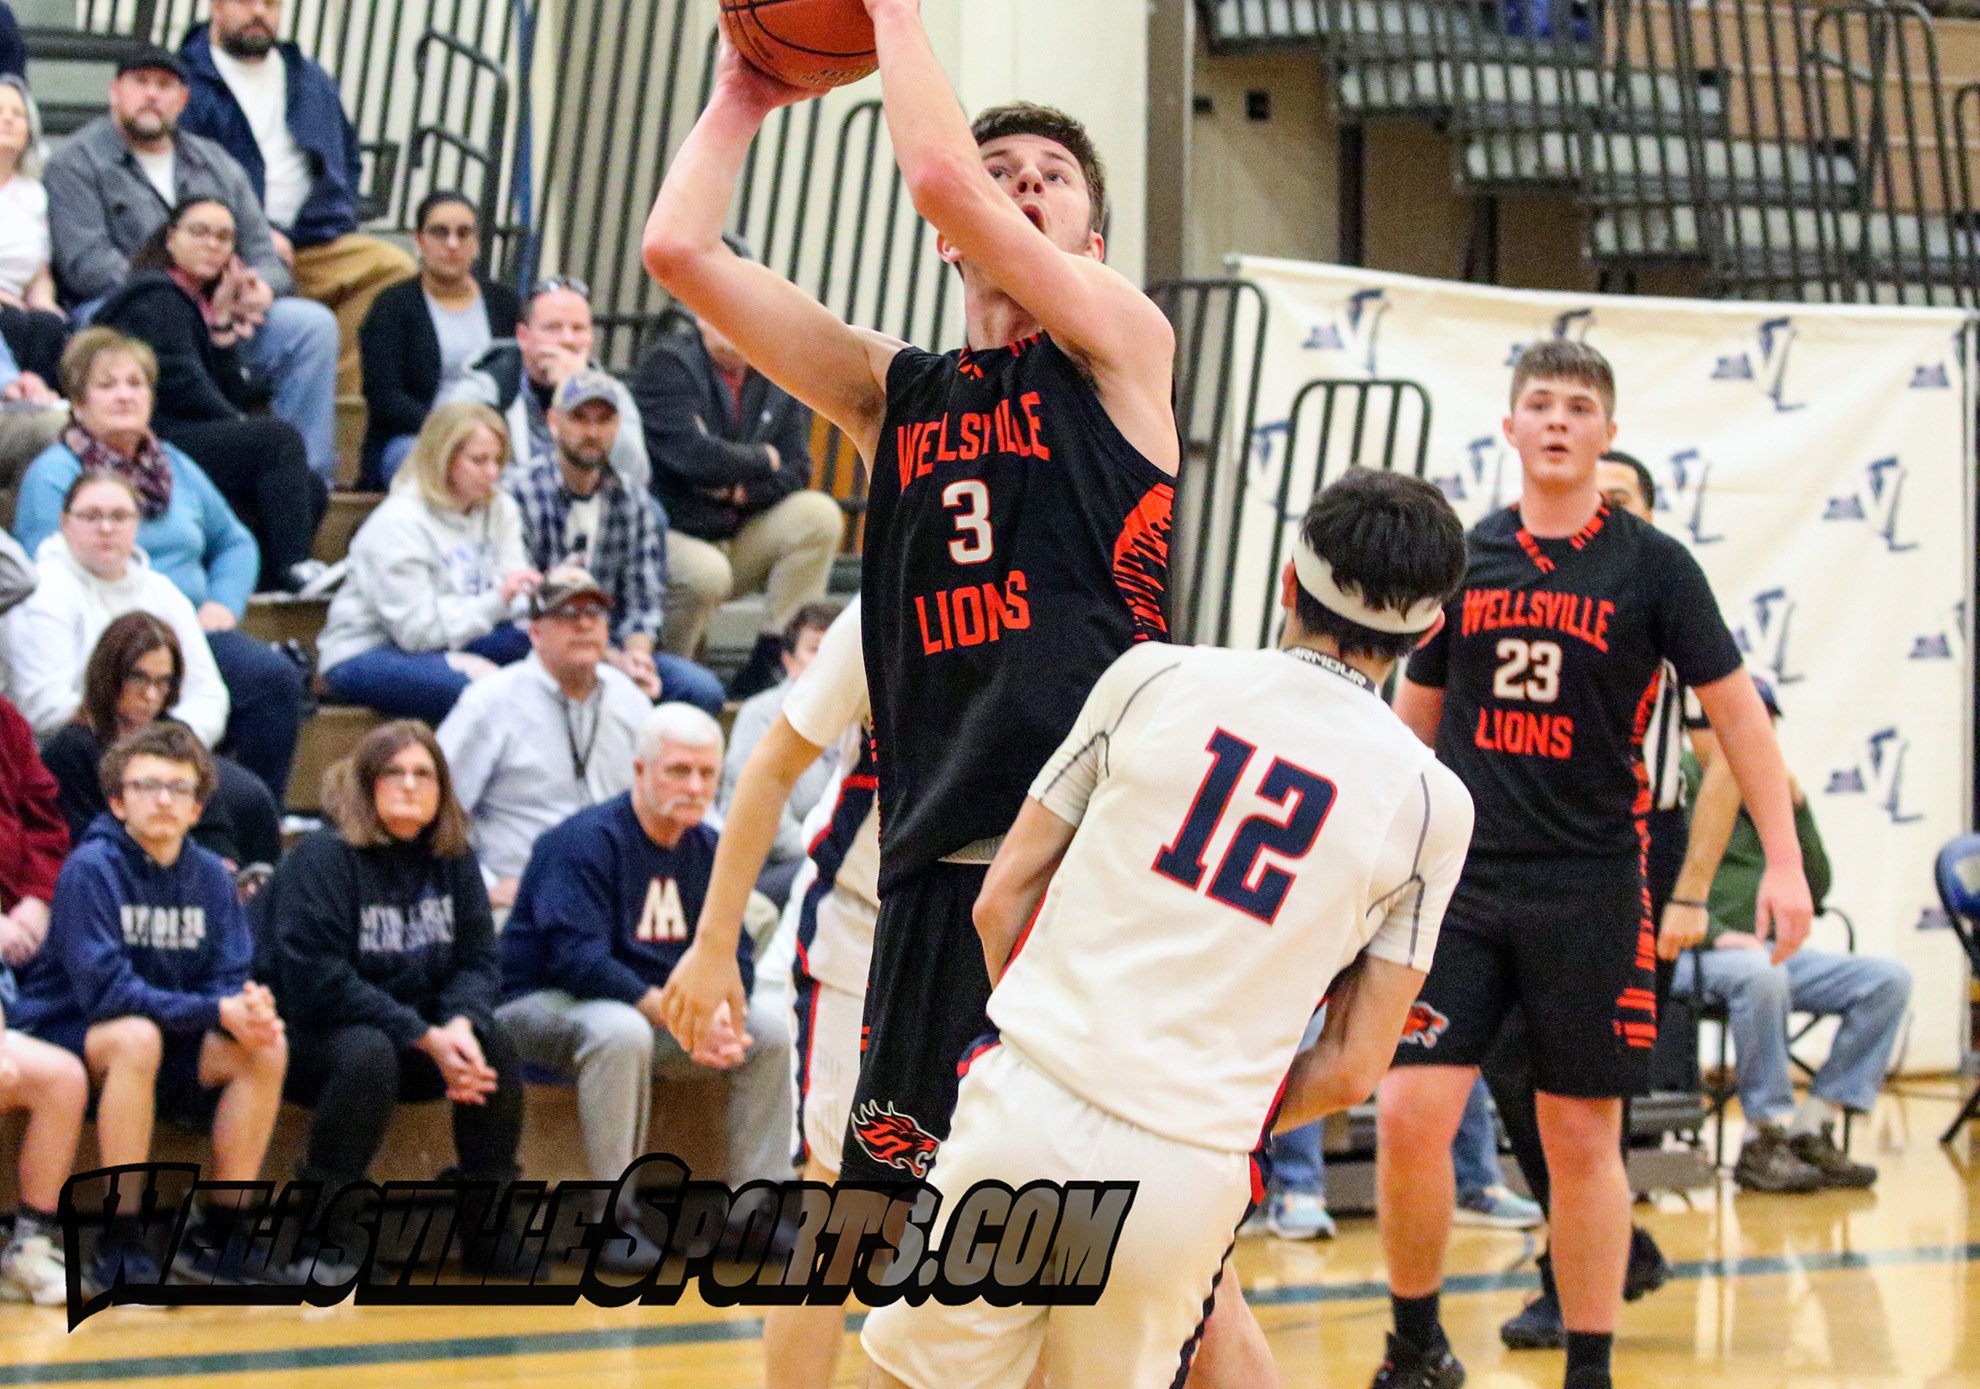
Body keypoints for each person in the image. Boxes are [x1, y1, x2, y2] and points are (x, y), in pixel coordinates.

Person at [647, 22, 1287, 1380]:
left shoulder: (1123, 348)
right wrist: (741, 95)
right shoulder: (901, 394)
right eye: (1005, 167)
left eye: (1049, 175)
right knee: (862, 1208)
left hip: (1094, 866)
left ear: (1089, 245)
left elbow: (937, 176)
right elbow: (679, 257)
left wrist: (889, 23)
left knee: (1177, 1261)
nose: (1015, 185)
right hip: (937, 869)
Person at [858, 469, 1475, 1388]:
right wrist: (1216, 1117)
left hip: (1031, 1098)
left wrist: (1051, 1031)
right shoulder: (1434, 803)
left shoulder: (1153, 675)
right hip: (1189, 1165)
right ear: (1427, 631)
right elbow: (1352, 1064)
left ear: (1286, 583)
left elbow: (1001, 898)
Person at [1376, 340, 1811, 1389]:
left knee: (1580, 1134)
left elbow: (1741, 724)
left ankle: (1590, 1363)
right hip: (1470, 889)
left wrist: (1785, 865)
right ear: (1512, 427)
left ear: (1607, 432)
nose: (1559, 420)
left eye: (1579, 405)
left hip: (1595, 887)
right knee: (1408, 1111)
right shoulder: (1468, 557)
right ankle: (1416, 1345)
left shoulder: (1654, 567)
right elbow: (1411, 731)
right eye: (1540, 404)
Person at [7, 721, 287, 1290]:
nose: (163, 800)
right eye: (146, 786)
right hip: (66, 1031)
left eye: (178, 789)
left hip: (164, 1030)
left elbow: (231, 975)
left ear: (196, 806)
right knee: (136, 1037)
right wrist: (215, 1011)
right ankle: (122, 1236)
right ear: (117, 801)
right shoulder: (91, 868)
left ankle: (223, 1234)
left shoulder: (210, 874)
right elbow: (105, 994)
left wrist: (248, 1006)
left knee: (266, 1046)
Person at [496, 704, 793, 1219]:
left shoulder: (709, 849)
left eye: (707, 774)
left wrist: (719, 1016)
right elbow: (576, 961)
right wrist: (682, 1014)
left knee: (767, 1031)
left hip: (653, 1014)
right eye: (679, 770)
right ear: (639, 770)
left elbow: (735, 953)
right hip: (540, 1007)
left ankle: (756, 1213)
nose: (695, 786)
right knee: (619, 1030)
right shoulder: (582, 842)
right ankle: (613, 1216)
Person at [14, 329, 306, 800]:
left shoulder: (172, 464)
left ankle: (247, 805)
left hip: (183, 624)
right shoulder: (53, 476)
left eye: (136, 384)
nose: (125, 395)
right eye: (108, 385)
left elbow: (234, 540)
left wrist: (223, 603)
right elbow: (41, 579)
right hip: (101, 652)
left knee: (270, 679)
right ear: (78, 400)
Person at [262, 721, 525, 1235]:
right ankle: (324, 1231)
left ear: (443, 790)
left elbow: (479, 960)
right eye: (394, 772)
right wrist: (427, 1036)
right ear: (367, 784)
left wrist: (461, 1027)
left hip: (416, 1040)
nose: (409, 785)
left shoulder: (453, 858)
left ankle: (488, 1226)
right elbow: (319, 982)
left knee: (493, 1043)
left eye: (424, 774)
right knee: (367, 1051)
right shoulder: (323, 858)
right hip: (314, 1038)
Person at [43, 46, 340, 480]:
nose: (151, 96)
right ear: (114, 93)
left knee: (311, 326)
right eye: (140, 83)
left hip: (223, 312)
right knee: (111, 319)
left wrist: (258, 289)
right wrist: (178, 291)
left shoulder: (217, 163)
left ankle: (306, 475)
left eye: (164, 86)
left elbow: (264, 252)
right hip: (128, 312)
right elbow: (86, 264)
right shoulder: (77, 160)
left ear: (183, 100)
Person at [1672, 681, 1911, 1193]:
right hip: (1693, 955)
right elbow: (1655, 877)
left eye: (1769, 726)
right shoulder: (1681, 782)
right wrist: (1713, 933)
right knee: (1759, 974)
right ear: (1702, 732)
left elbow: (1816, 887)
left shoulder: (1770, 791)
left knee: (1886, 981)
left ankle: (1813, 1124)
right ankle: (1764, 1135)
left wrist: (1798, 810)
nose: (1764, 738)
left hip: (1769, 956)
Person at [178, 0, 417, 441]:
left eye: (270, 3)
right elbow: (181, 179)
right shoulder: (187, 81)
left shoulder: (308, 78)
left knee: (394, 270)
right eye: (245, 2)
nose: (258, 13)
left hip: (316, 238)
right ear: (215, 6)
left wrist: (332, 210)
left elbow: (346, 156)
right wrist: (257, 235)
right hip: (234, 244)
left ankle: (336, 415)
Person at [93, 198, 327, 590]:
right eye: (199, 232)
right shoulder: (155, 295)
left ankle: (270, 584)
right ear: (171, 238)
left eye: (223, 237)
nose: (212, 244)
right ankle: (296, 567)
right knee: (277, 440)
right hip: (153, 434)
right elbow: (184, 386)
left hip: (191, 432)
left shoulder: (198, 302)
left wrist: (220, 326)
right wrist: (240, 426)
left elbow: (233, 391)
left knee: (309, 487)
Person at [631, 306, 843, 696]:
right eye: (718, 306)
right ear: (698, 315)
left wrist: (736, 490)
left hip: (738, 528)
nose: (732, 318)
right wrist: (764, 458)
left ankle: (773, 662)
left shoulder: (776, 369)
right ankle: (667, 679)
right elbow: (691, 458)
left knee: (819, 515)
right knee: (706, 571)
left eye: (737, 307)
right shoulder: (670, 363)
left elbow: (797, 469)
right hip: (673, 535)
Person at [506, 369, 723, 715]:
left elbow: (645, 600)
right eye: (579, 418)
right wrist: (609, 658)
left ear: (618, 426)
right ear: (553, 422)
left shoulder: (634, 500)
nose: (592, 432)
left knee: (702, 690)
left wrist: (636, 659)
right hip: (538, 642)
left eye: (604, 420)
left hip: (610, 646)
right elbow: (522, 601)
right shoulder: (519, 492)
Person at [437, 569, 653, 909]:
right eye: (567, 614)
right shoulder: (489, 703)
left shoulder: (631, 701)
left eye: (594, 613)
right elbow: (438, 809)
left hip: (621, 896)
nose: (584, 625)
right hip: (526, 899)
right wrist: (483, 886)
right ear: (536, 632)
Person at [316, 402, 537, 723]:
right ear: (443, 459)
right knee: (478, 691)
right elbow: (416, 631)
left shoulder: (501, 509)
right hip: (370, 649)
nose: (493, 473)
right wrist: (498, 600)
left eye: (498, 461)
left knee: (552, 653)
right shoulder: (398, 523)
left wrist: (545, 596)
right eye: (479, 461)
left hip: (455, 635)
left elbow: (514, 595)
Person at [38, 611, 281, 871]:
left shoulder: (177, 736)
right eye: (138, 678)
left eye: (163, 682)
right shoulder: (72, 748)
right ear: (109, 674)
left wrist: (221, 864)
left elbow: (210, 821)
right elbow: (82, 842)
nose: (151, 694)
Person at [7, 470, 230, 752]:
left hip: (162, 747)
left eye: (119, 516)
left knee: (245, 794)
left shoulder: (164, 593)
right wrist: (127, 736)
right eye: (91, 516)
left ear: (138, 524)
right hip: (73, 749)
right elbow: (43, 706)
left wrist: (170, 742)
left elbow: (208, 695)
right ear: (64, 523)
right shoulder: (43, 590)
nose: (106, 528)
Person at [0, 687, 90, 1306]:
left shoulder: (5, 719)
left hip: (14, 938)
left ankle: (29, 1246)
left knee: (61, 1078)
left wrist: (35, 898)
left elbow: (44, 820)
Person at [358, 191, 520, 487]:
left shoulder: (503, 303)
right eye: (439, 232)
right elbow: (384, 397)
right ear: (418, 240)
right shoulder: (392, 306)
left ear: (477, 242)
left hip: (492, 438)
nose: (452, 244)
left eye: (464, 233)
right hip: (414, 438)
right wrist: (452, 433)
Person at [438, 278, 650, 492]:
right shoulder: (488, 385)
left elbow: (637, 474)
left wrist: (579, 387)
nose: (568, 339)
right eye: (553, 328)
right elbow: (442, 457)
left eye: (578, 329)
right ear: (523, 337)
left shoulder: (612, 392)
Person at [716, 600, 839, 907]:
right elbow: (765, 826)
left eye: (835, 649)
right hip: (761, 870)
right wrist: (835, 851)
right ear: (789, 662)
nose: (826, 660)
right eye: (814, 649)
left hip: (829, 857)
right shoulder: (759, 715)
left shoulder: (858, 717)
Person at [0, 75, 67, 385]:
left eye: (18, 114)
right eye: (0, 111)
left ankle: (42, 412)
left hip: (17, 304)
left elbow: (39, 271)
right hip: (6, 307)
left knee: (49, 324)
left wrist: (45, 304)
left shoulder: (33, 193)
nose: (9, 120)